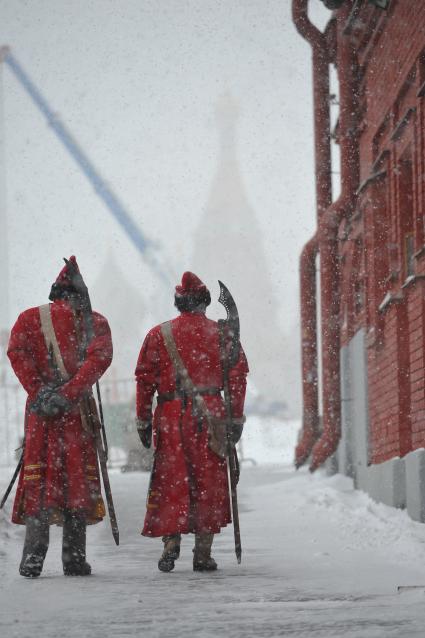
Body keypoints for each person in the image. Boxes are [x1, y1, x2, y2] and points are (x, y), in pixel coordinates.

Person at [135, 271, 248, 572]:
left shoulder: (158, 335)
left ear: (179, 303)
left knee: (173, 480)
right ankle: (203, 552)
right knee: (207, 481)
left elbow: (144, 381)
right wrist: (235, 417)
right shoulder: (222, 334)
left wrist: (143, 420)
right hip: (210, 415)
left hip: (171, 415)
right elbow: (237, 377)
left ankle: (171, 543)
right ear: (205, 302)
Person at [7, 256, 113, 577]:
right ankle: (74, 559)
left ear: (56, 293)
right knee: (76, 485)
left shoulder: (28, 319)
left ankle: (33, 558)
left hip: (42, 414)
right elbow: (98, 361)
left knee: (41, 484)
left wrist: (40, 391)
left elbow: (17, 353)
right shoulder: (94, 322)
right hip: (76, 413)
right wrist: (69, 394)